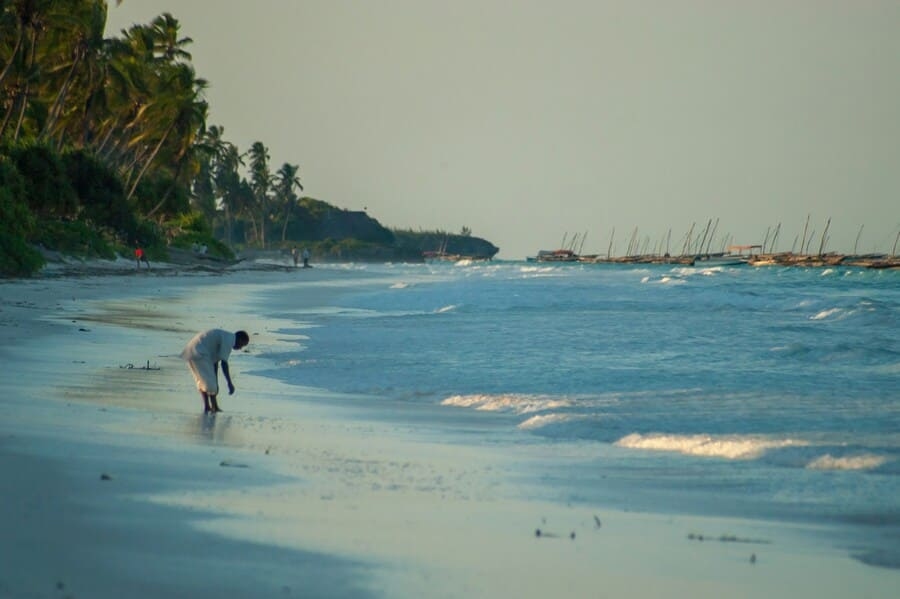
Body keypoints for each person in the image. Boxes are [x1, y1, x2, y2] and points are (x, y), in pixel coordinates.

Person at [180, 329, 250, 413]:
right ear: (240, 339)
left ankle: (209, 406)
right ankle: (213, 407)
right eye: (242, 345)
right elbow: (224, 364)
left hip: (191, 351)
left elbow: (215, 363)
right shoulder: (229, 340)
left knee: (203, 382)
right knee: (210, 385)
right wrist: (229, 383)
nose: (240, 348)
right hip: (200, 352)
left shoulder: (225, 336)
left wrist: (215, 380)